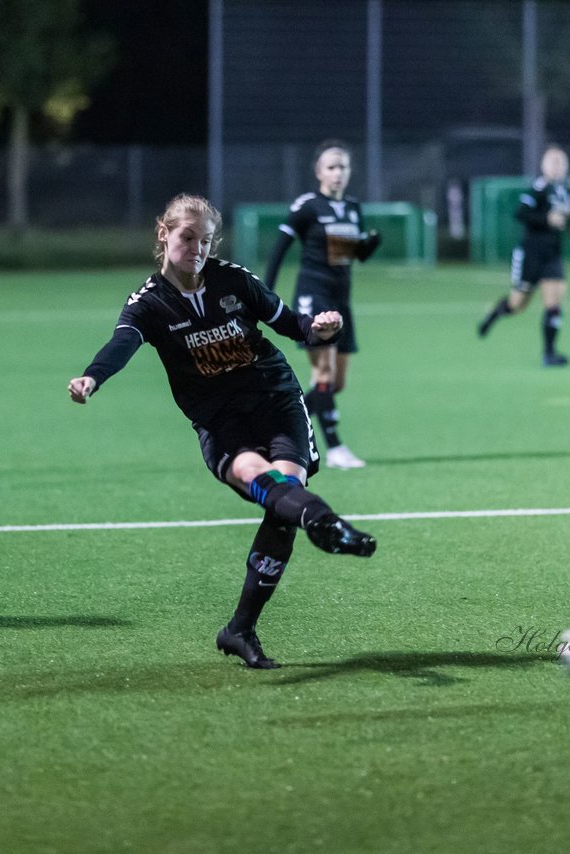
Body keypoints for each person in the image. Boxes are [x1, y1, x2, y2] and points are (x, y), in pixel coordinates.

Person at [69, 193, 376, 669]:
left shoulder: (234, 281)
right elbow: (122, 343)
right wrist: (93, 376)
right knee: (269, 488)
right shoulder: (149, 303)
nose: (196, 248)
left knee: (284, 498)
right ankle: (323, 524)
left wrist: (323, 328)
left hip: (276, 401)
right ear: (163, 234)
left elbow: (294, 326)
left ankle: (241, 628)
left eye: (205, 240)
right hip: (220, 421)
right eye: (187, 237)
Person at [264, 140, 381, 470]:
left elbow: (353, 256)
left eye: (343, 166)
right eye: (331, 166)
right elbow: (279, 249)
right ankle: (336, 448)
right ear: (318, 172)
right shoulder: (308, 206)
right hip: (314, 294)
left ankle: (281, 424)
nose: (338, 173)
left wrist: (369, 245)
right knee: (324, 372)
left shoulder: (353, 208)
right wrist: (266, 294)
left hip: (342, 299)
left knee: (335, 383)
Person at [476, 144, 570, 367]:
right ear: (544, 165)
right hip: (531, 255)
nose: (557, 166)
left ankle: (549, 353)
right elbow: (521, 213)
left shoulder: (564, 191)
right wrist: (546, 219)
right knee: (517, 305)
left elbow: (565, 217)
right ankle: (493, 315)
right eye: (553, 162)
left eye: (561, 162)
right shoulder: (538, 188)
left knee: (554, 302)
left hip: (553, 255)